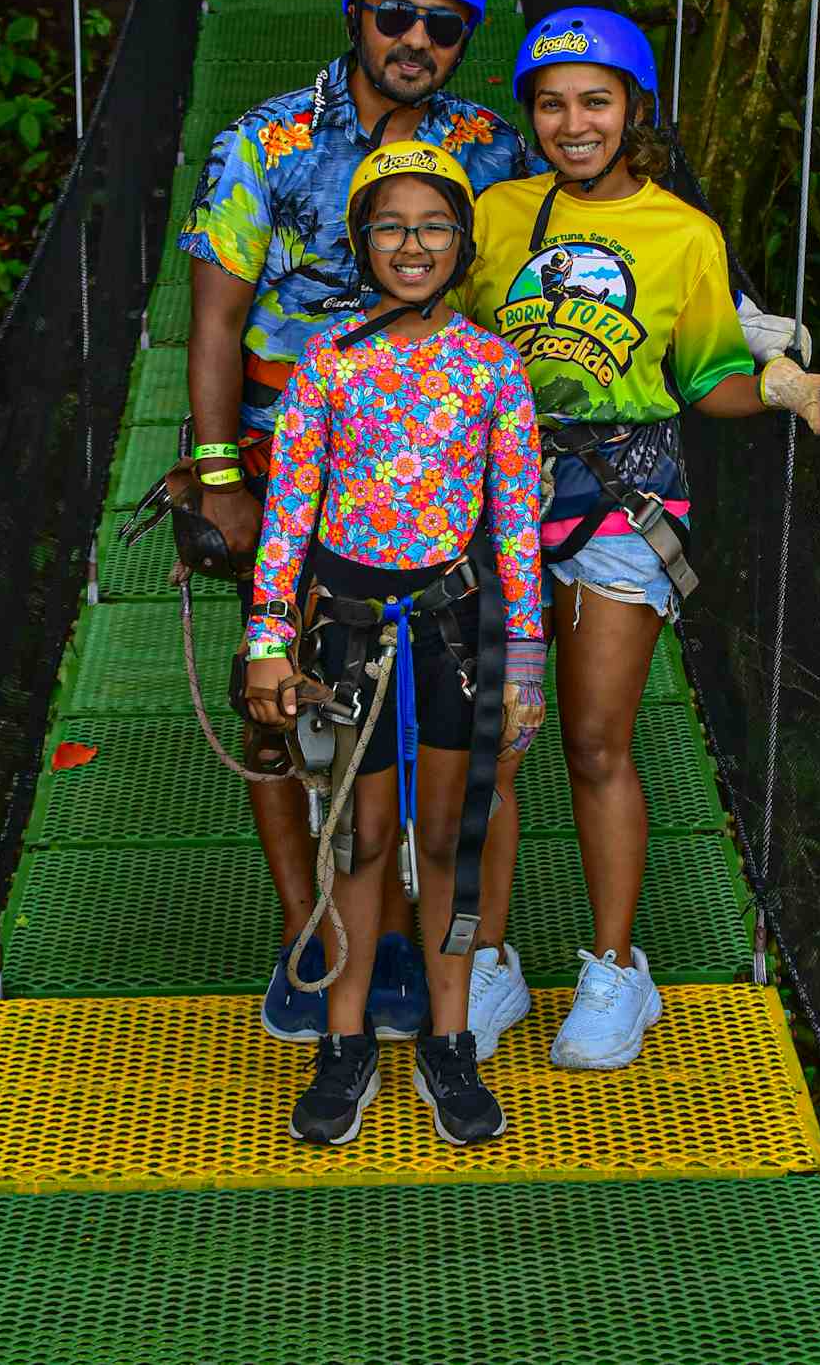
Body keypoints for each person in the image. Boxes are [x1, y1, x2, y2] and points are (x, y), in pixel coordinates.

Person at [459, 7, 820, 1070]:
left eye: (595, 101)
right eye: (552, 104)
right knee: (491, 743)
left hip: (622, 499)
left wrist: (778, 385)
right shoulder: (495, 215)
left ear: (632, 109)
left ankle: (615, 969)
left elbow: (708, 374)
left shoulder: (684, 233)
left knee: (595, 738)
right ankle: (485, 962)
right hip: (500, 501)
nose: (573, 123)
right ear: (531, 116)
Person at [176, 0, 532, 1047]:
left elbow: (589, 241)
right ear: (354, 15)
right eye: (396, 15)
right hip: (289, 458)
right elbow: (216, 321)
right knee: (280, 703)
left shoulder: (494, 149)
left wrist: (744, 337)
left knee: (431, 708)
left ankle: (415, 939)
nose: (415, 40)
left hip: (431, 473)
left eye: (444, 25)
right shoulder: (266, 142)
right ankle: (315, 935)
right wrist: (220, 474)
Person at [242, 143, 545, 1145]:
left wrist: (525, 660)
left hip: (454, 630)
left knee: (449, 834)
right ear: (362, 239)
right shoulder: (327, 363)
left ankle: (449, 1040)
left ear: (462, 243)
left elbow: (515, 523)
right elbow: (289, 514)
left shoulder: (493, 365)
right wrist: (270, 637)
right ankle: (346, 1037)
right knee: (361, 835)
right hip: (354, 633)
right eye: (391, 227)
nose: (413, 246)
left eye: (434, 227)